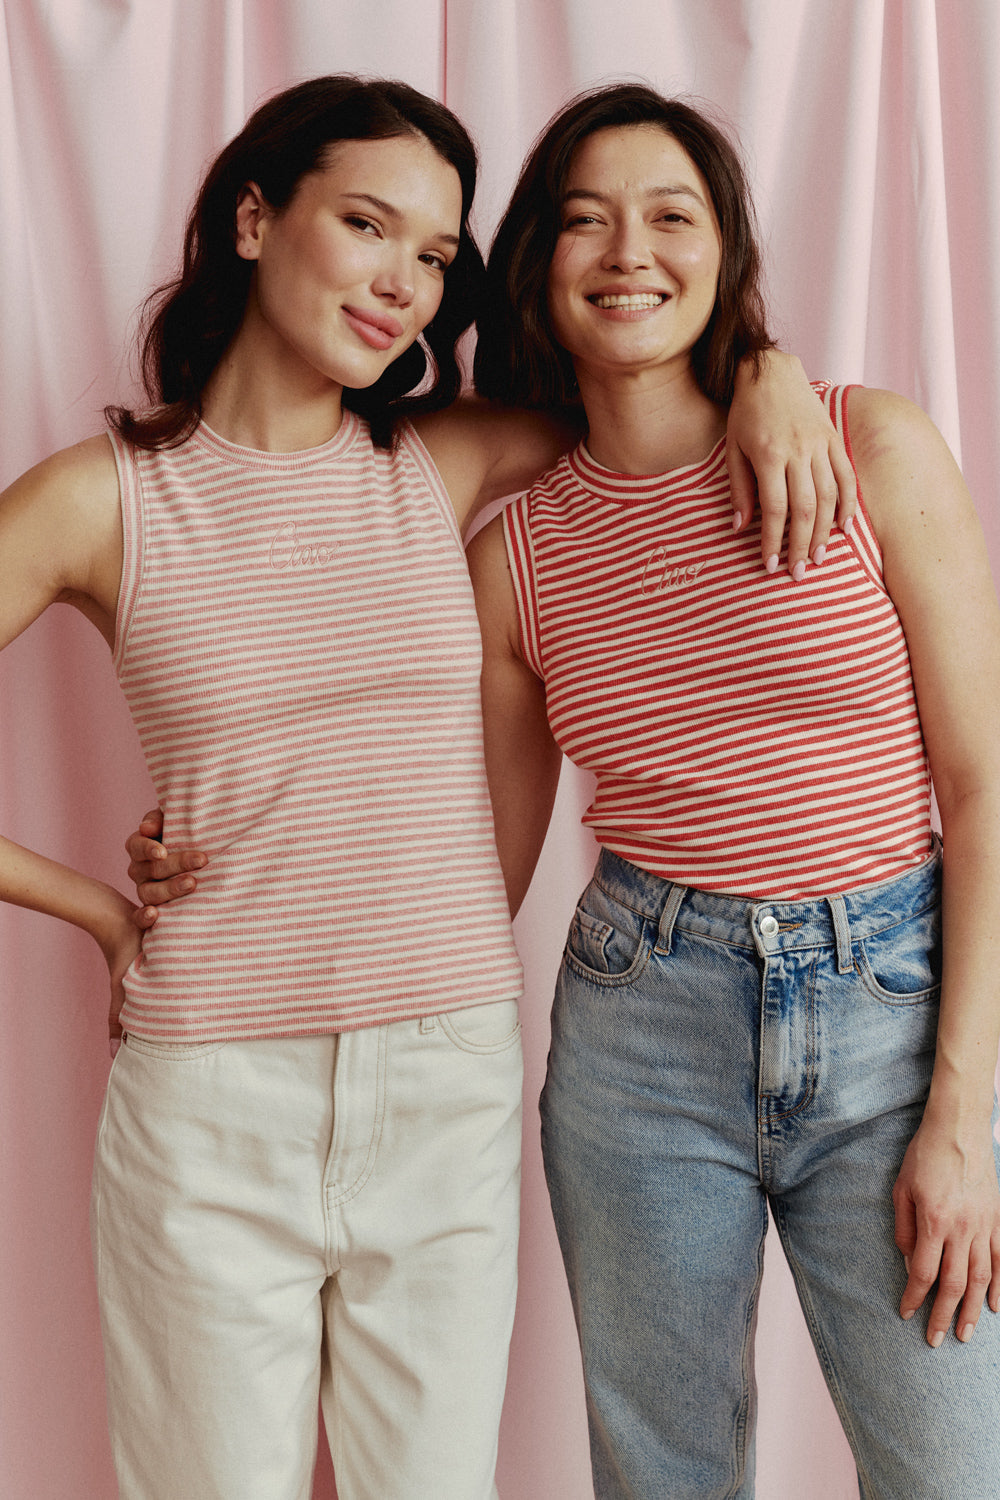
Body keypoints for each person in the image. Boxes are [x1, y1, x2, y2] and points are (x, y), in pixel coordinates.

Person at [3, 74, 846, 1500]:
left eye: (438, 256)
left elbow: (640, 388)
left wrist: (766, 370)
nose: (404, 283)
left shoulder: (441, 459)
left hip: (446, 1081)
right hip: (213, 1096)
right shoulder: (103, 500)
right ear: (256, 221)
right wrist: (90, 903)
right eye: (368, 225)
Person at [464, 86, 1000, 1498]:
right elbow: (477, 874)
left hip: (892, 1010)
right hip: (643, 1030)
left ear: (725, 256)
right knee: (665, 1479)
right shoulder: (516, 556)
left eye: (670, 216)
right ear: (538, 265)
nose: (626, 250)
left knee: (951, 1468)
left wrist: (962, 1116)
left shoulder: (867, 444)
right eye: (583, 219)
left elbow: (986, 786)